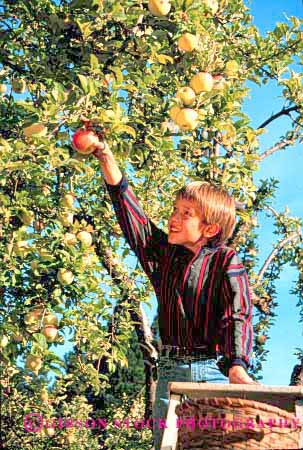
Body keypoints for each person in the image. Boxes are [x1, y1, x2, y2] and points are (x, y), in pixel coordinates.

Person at [92, 140, 257, 450]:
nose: (174, 218)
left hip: (211, 374)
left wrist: (237, 364)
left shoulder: (224, 260)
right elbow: (134, 220)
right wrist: (105, 157)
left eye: (186, 213)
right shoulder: (164, 258)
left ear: (209, 229)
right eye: (174, 210)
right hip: (169, 375)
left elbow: (238, 314)